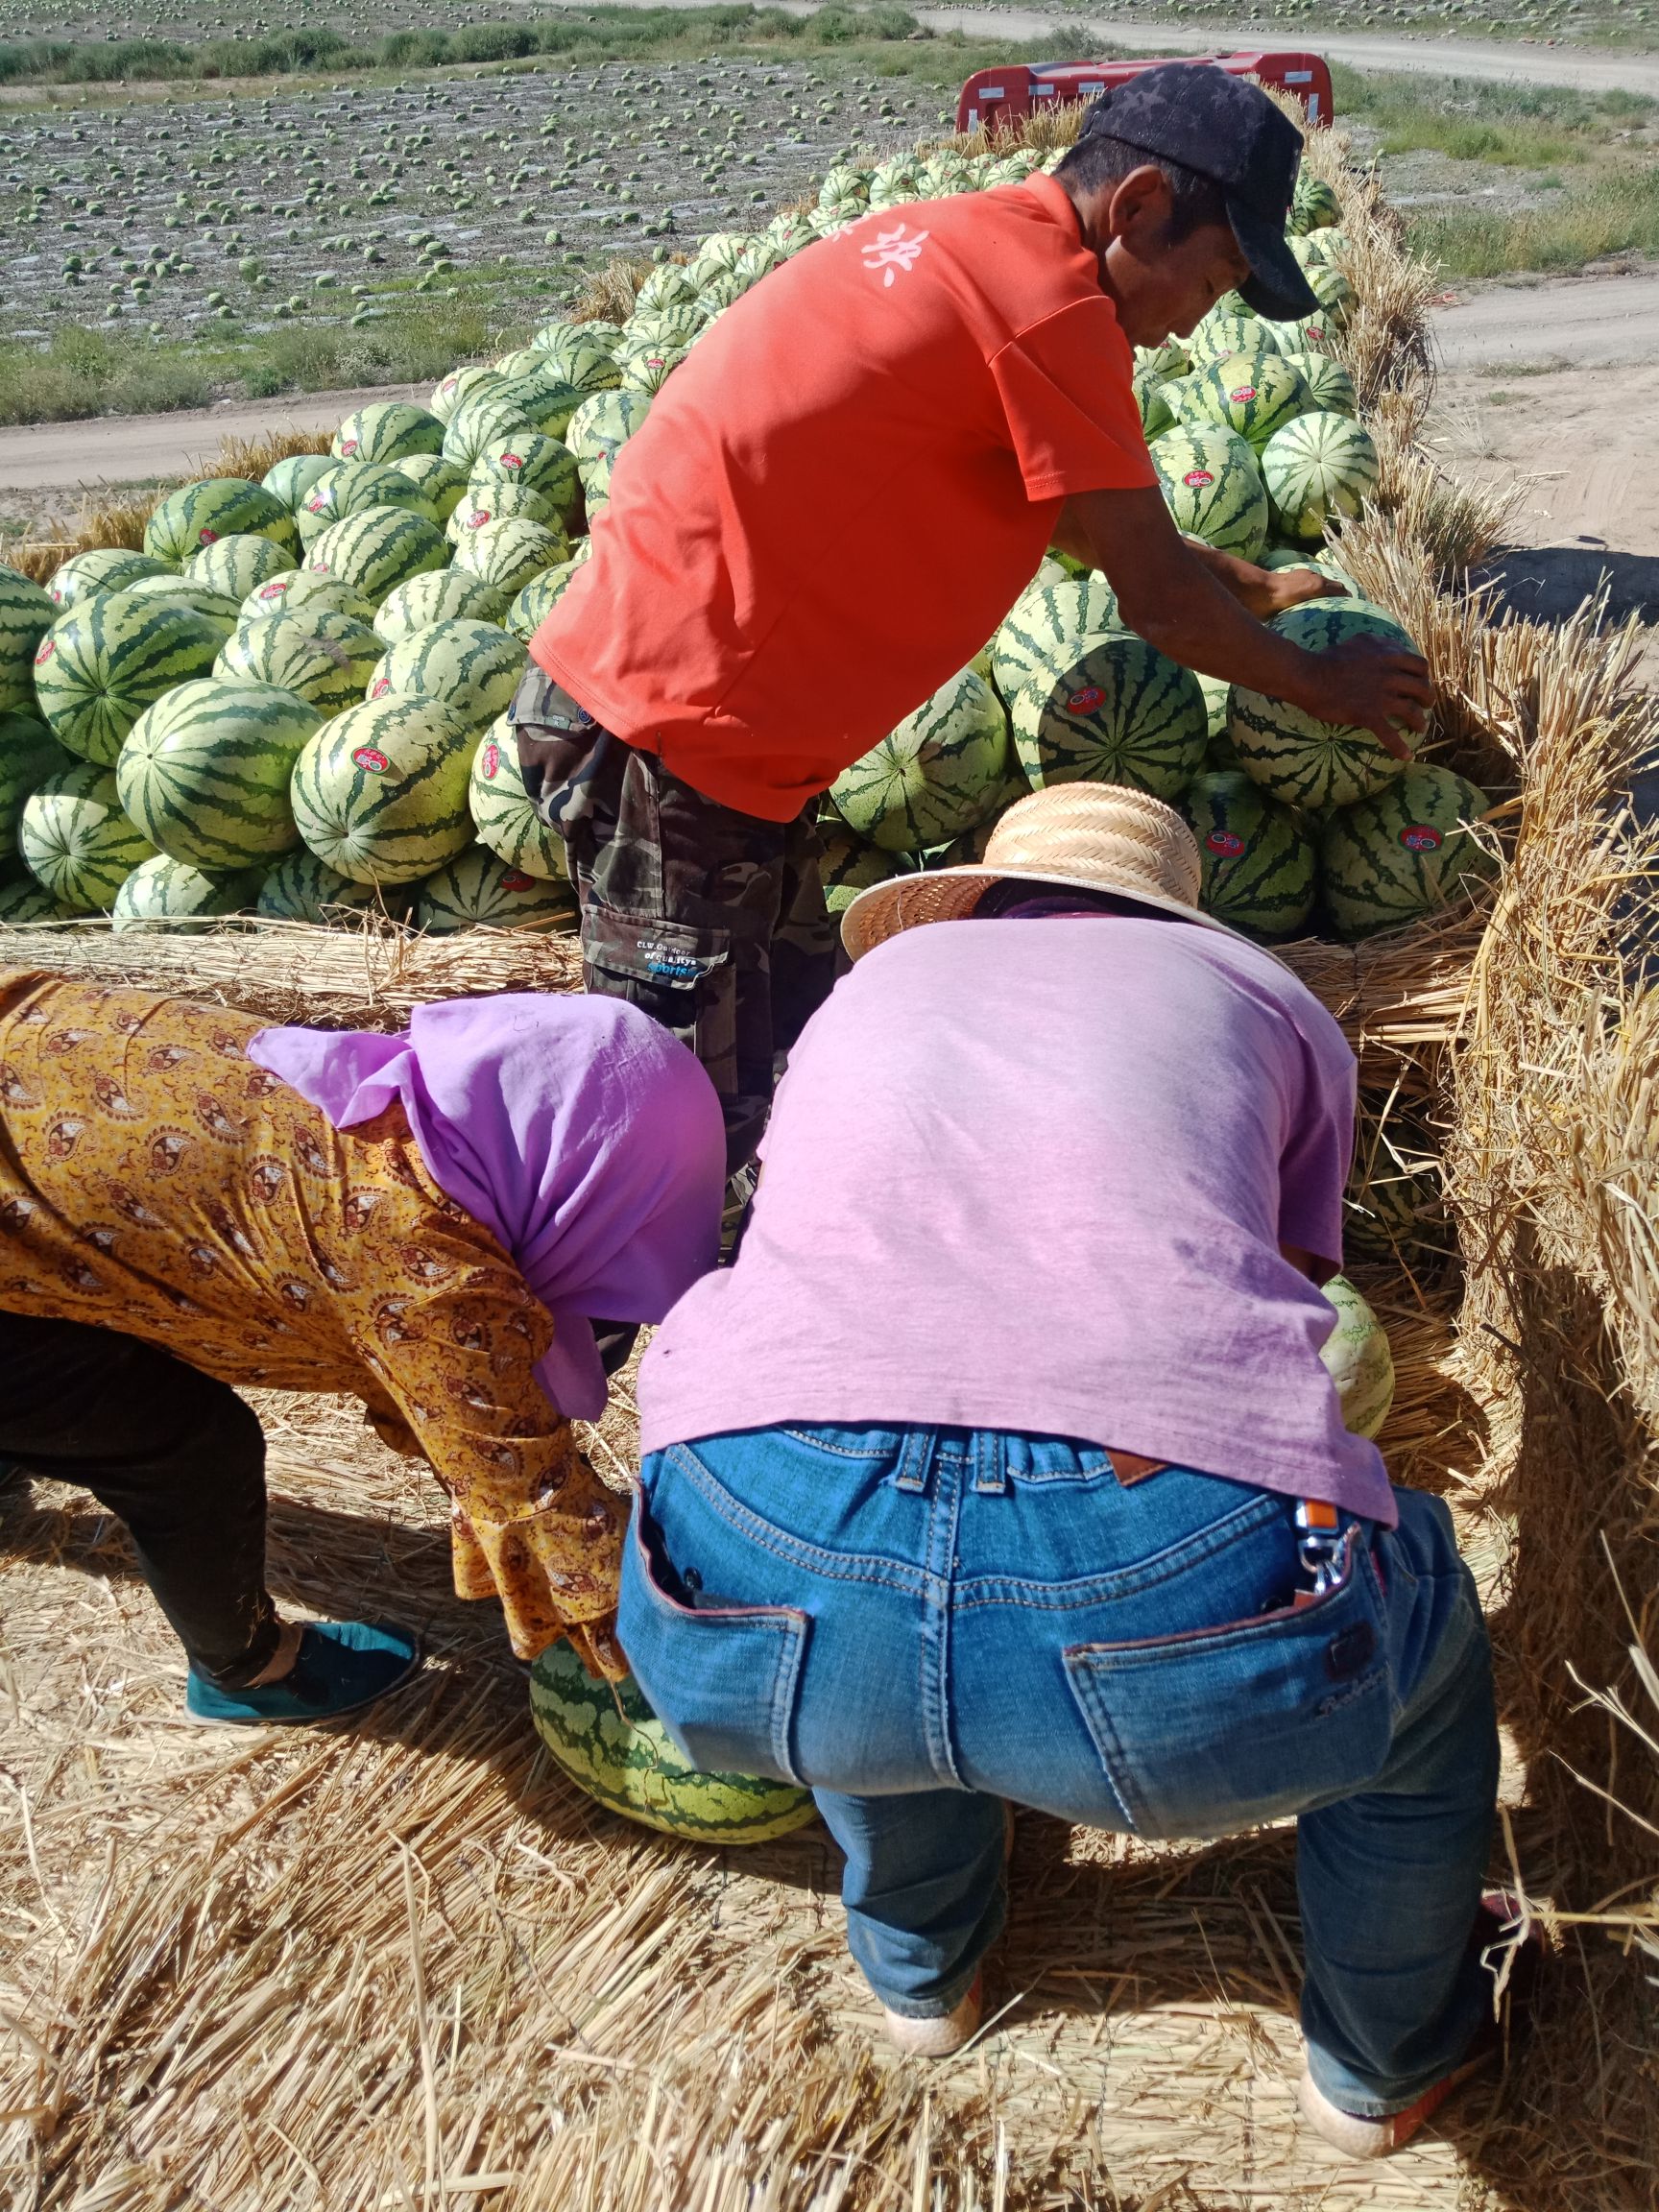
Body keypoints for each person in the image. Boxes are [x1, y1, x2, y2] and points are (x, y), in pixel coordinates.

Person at [613, 783, 1504, 2161]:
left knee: (861, 1583)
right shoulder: (1263, 1004)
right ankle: (1383, 2070)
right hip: (1145, 1562)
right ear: (1172, 908)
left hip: (747, 1539)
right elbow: (1294, 1293)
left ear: (984, 891)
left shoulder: (873, 989)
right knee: (1425, 1654)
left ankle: (923, 1979)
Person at [511, 66, 1431, 1173]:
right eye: (1217, 275)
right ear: (1136, 206)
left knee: (811, 1059)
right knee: (674, 1149)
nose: (1200, 323)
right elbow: (1153, 604)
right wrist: (1324, 687)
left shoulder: (986, 246)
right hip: (666, 748)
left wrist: (1248, 584)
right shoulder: (1052, 310)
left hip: (712, 743)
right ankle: (645, 1345)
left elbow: (1086, 521)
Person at [0, 975, 724, 1725]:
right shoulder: (428, 1269)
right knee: (182, 1445)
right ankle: (245, 1672)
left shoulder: (410, 1100)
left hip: (28, 1061)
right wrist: (685, 1664)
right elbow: (531, 1498)